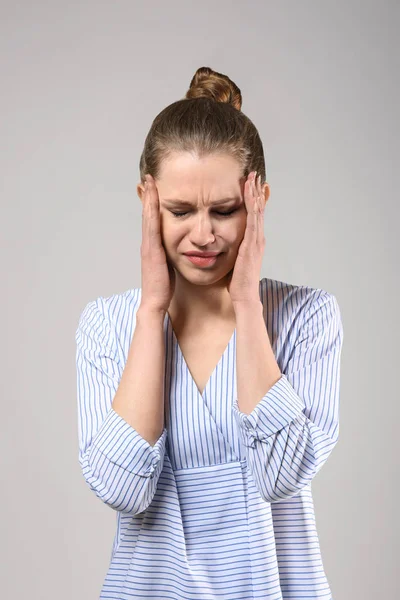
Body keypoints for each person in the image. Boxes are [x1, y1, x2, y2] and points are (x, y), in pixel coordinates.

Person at [75, 66, 344, 599]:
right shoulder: (106, 326)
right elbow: (120, 489)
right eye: (180, 210)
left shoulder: (307, 318)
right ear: (147, 199)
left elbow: (282, 475)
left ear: (259, 199)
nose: (204, 235)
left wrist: (246, 303)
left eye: (225, 210)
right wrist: (152, 310)